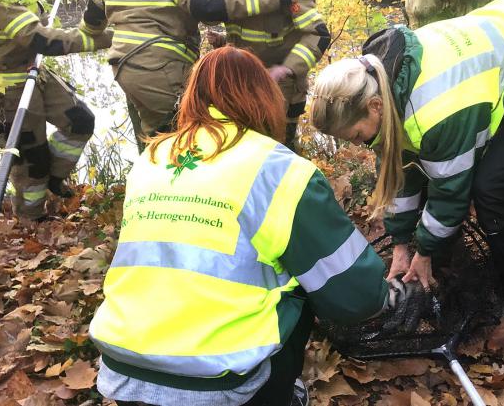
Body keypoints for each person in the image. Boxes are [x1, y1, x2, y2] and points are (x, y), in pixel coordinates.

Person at [89, 46, 420, 406]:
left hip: (123, 370)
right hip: (218, 384)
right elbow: (353, 294)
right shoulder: (280, 170)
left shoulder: (150, 159)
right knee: (304, 283)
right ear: (265, 98)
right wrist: (391, 297)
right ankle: (276, 393)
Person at [310, 0, 504, 335]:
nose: (359, 144)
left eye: (357, 135)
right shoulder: (381, 82)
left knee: (490, 187)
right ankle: (444, 260)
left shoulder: (436, 109)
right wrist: (403, 245)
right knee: (449, 171)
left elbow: (451, 191)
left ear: (375, 107)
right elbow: (400, 175)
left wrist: (426, 252)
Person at [83, 0, 301, 152]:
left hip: (126, 67)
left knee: (158, 140)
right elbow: (204, 5)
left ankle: (153, 197)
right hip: (160, 66)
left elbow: (91, 23)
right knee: (189, 139)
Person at [0, 0, 113, 221]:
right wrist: (106, 38)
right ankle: (31, 218)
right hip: (6, 86)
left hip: (32, 70)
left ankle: (53, 178)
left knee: (80, 121)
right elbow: (42, 40)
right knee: (32, 158)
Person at [207, 0, 330, 152]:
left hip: (280, 89)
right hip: (239, 88)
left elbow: (318, 35)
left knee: (276, 153)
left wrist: (288, 68)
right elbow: (209, 15)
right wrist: (222, 41)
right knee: (240, 151)